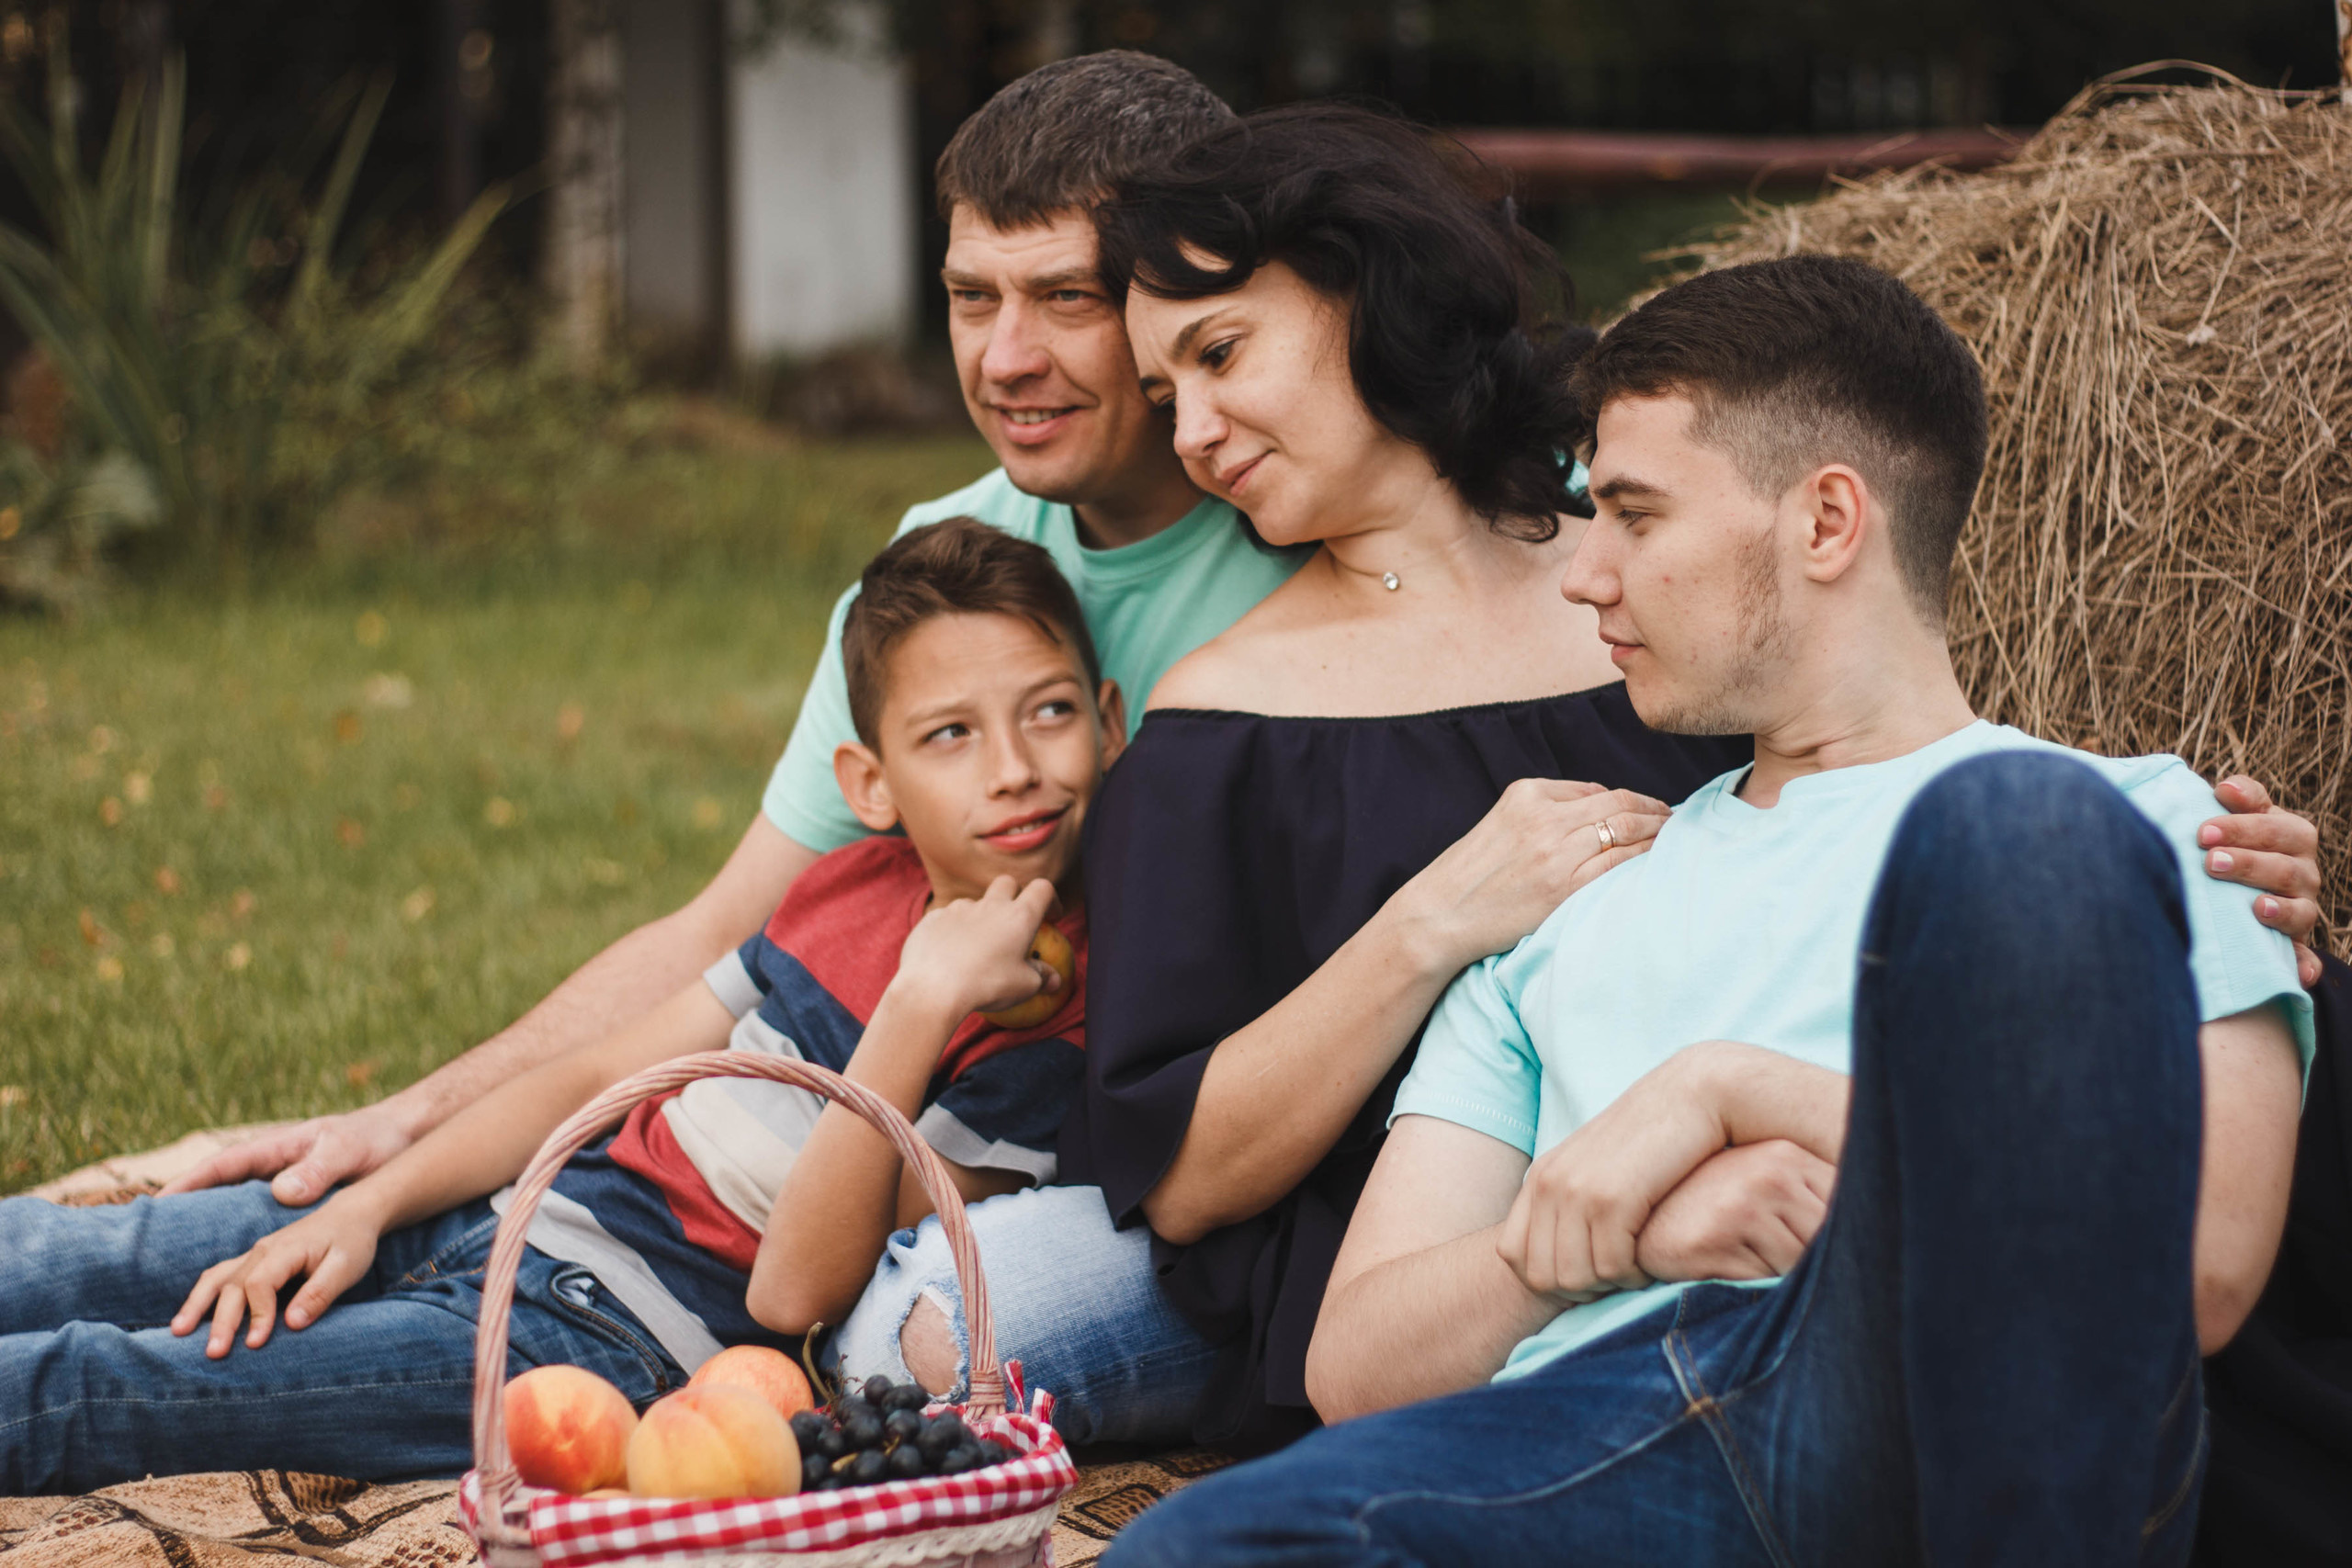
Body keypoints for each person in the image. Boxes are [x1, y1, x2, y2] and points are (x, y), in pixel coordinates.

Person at [1014, 103, 2324, 1456]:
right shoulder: (1225, 721)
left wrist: (2184, 870)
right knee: (953, 1343)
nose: (1196, 431)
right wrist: (1435, 925)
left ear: (1363, 296)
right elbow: (1187, 1181)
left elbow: (1887, 764)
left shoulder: (1679, 578)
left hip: (1834, 1281)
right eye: (1168, 397)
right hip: (1457, 1280)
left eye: (1223, 355)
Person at [162, 50, 1299, 1213]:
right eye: (970, 298)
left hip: (1081, 1195)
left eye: (1066, 296)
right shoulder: (949, 557)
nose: (1004, 359)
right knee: (258, 1236)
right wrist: (405, 1120)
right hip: (771, 1172)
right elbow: (724, 924)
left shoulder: (1308, 563)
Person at [0, 521, 1118, 1494]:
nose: (1013, 768)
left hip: (596, 1342)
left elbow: (790, 1291)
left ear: (1109, 722)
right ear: (869, 783)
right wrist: (369, 1205)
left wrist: (922, 1000)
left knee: (123, 1384)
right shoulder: (848, 888)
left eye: (1049, 712)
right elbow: (596, 1082)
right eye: (950, 735)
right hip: (503, 1211)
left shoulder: (1062, 1036)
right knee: (98, 1253)